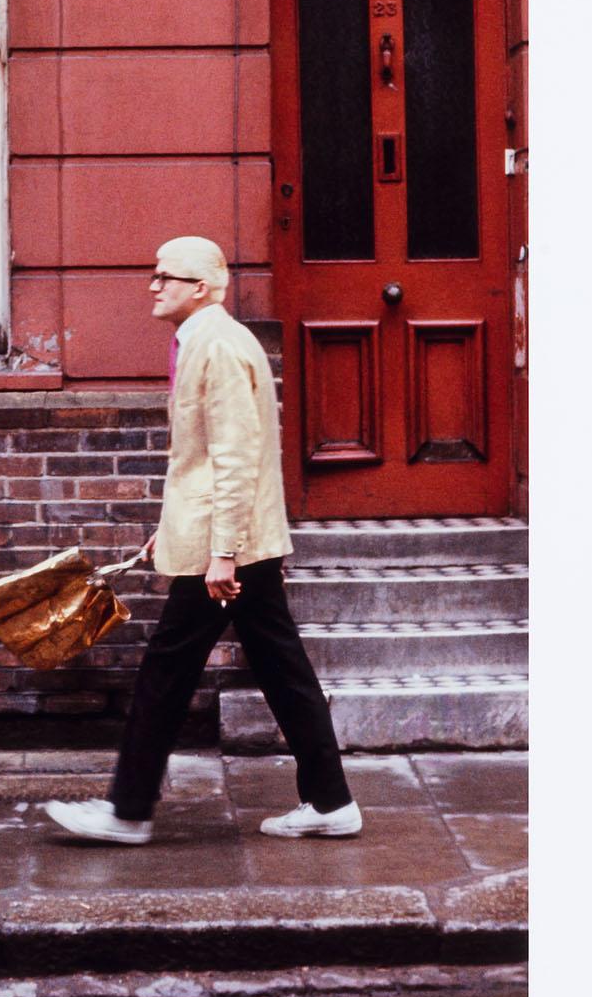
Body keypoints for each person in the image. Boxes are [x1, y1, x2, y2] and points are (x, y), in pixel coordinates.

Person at [42, 235, 361, 845]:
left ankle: (127, 811)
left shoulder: (214, 346)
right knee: (283, 671)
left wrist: (221, 552)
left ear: (202, 288)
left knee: (166, 672)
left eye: (166, 276)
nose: (153, 285)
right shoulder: (214, 341)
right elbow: (203, 458)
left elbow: (235, 458)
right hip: (243, 542)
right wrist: (177, 525)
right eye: (154, 273)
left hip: (230, 552)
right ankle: (331, 801)